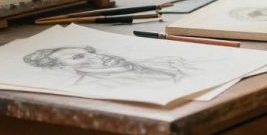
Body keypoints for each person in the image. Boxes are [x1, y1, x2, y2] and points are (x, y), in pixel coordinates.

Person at [23, 46, 187, 85]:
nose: (99, 56)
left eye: (91, 51)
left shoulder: (171, 60)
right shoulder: (104, 87)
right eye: (78, 57)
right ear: (63, 67)